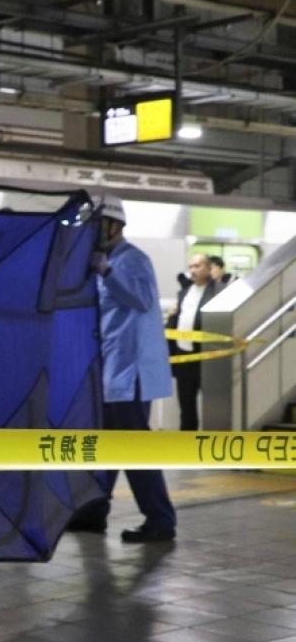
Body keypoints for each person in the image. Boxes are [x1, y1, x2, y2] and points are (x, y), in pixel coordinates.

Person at [66, 195, 177, 543]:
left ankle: (160, 519)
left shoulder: (132, 260)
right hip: (112, 373)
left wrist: (108, 272)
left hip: (132, 375)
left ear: (114, 226)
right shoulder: (103, 263)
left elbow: (141, 300)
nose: (92, 233)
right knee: (107, 444)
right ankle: (94, 512)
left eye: (97, 226)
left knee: (132, 447)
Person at [167, 253, 218, 433]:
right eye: (191, 267)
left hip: (206, 357)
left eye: (198, 266)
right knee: (186, 406)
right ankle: (186, 446)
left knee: (214, 406)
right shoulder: (184, 292)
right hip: (184, 357)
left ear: (209, 268)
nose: (193, 270)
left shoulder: (218, 292)